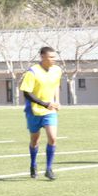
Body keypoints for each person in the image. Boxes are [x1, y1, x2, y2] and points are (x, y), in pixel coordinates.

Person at [20, 46, 62, 180]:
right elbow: (27, 93)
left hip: (50, 111)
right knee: (35, 140)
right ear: (42, 57)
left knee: (53, 138)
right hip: (34, 111)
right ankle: (33, 164)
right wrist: (45, 104)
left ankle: (49, 169)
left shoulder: (57, 70)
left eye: (54, 57)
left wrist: (56, 102)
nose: (53, 59)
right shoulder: (32, 72)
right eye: (51, 57)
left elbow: (55, 86)